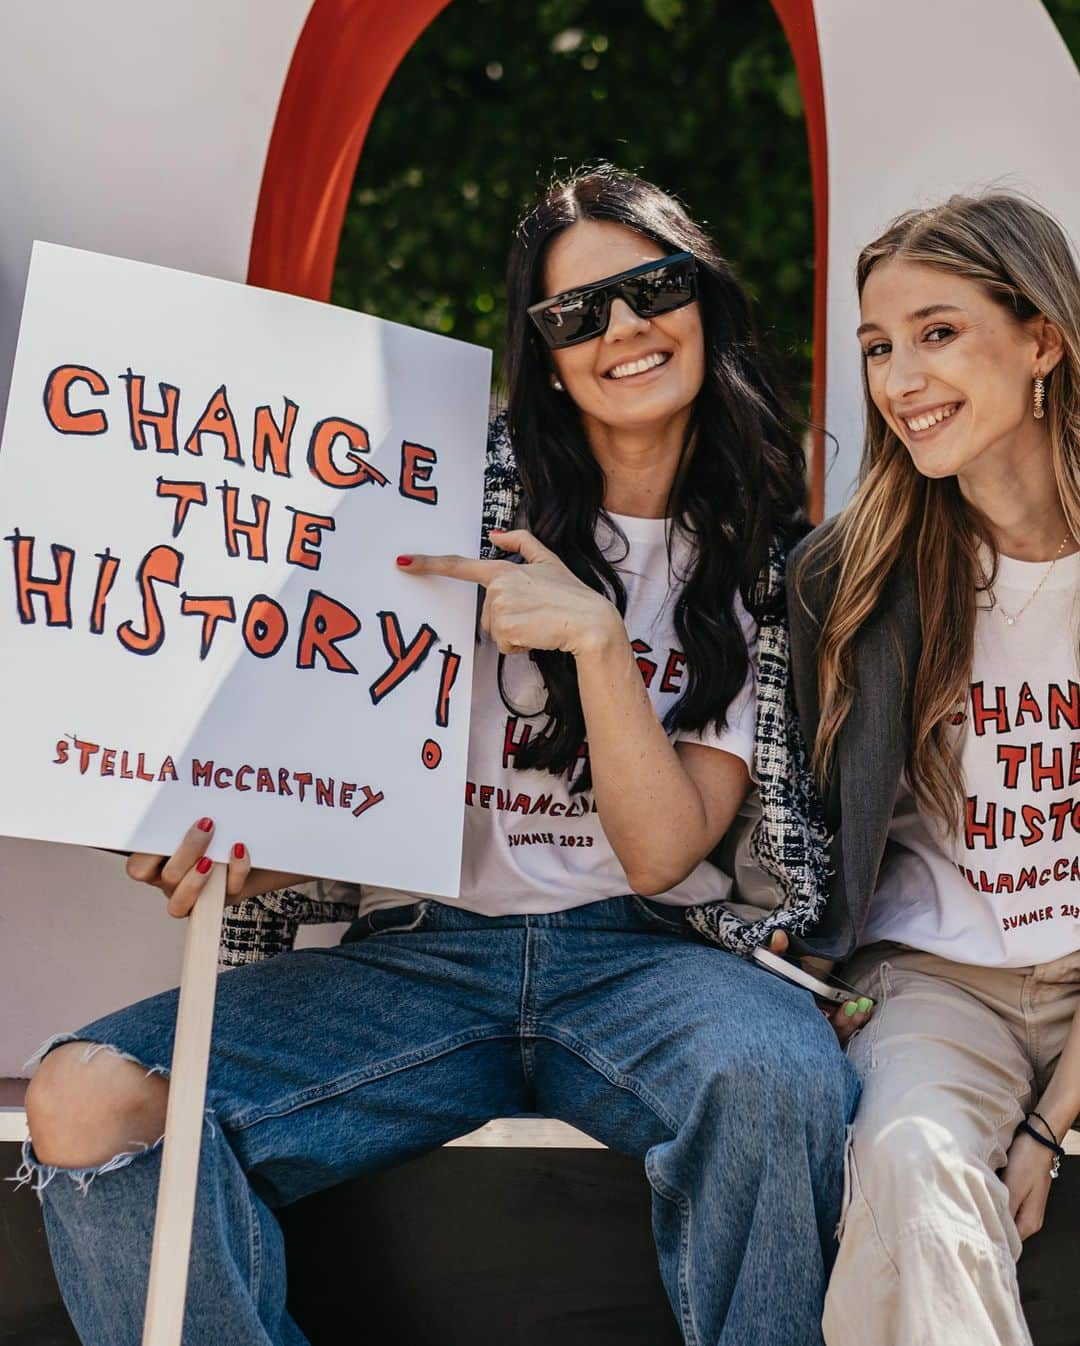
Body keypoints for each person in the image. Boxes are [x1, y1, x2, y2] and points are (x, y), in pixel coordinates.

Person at [21, 168, 858, 1346]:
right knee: (84, 1093)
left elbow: (667, 851)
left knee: (779, 1082)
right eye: (577, 313)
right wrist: (248, 832)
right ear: (544, 351)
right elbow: (297, 710)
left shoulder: (774, 563)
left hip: (652, 968)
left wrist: (600, 643)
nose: (622, 328)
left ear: (703, 296)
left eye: (651, 287)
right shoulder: (420, 490)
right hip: (419, 960)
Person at [785, 191, 1080, 1346]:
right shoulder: (848, 580)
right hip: (938, 981)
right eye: (878, 346)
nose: (900, 377)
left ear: (1043, 339)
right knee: (909, 1166)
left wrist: (1051, 1124)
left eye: (938, 332)